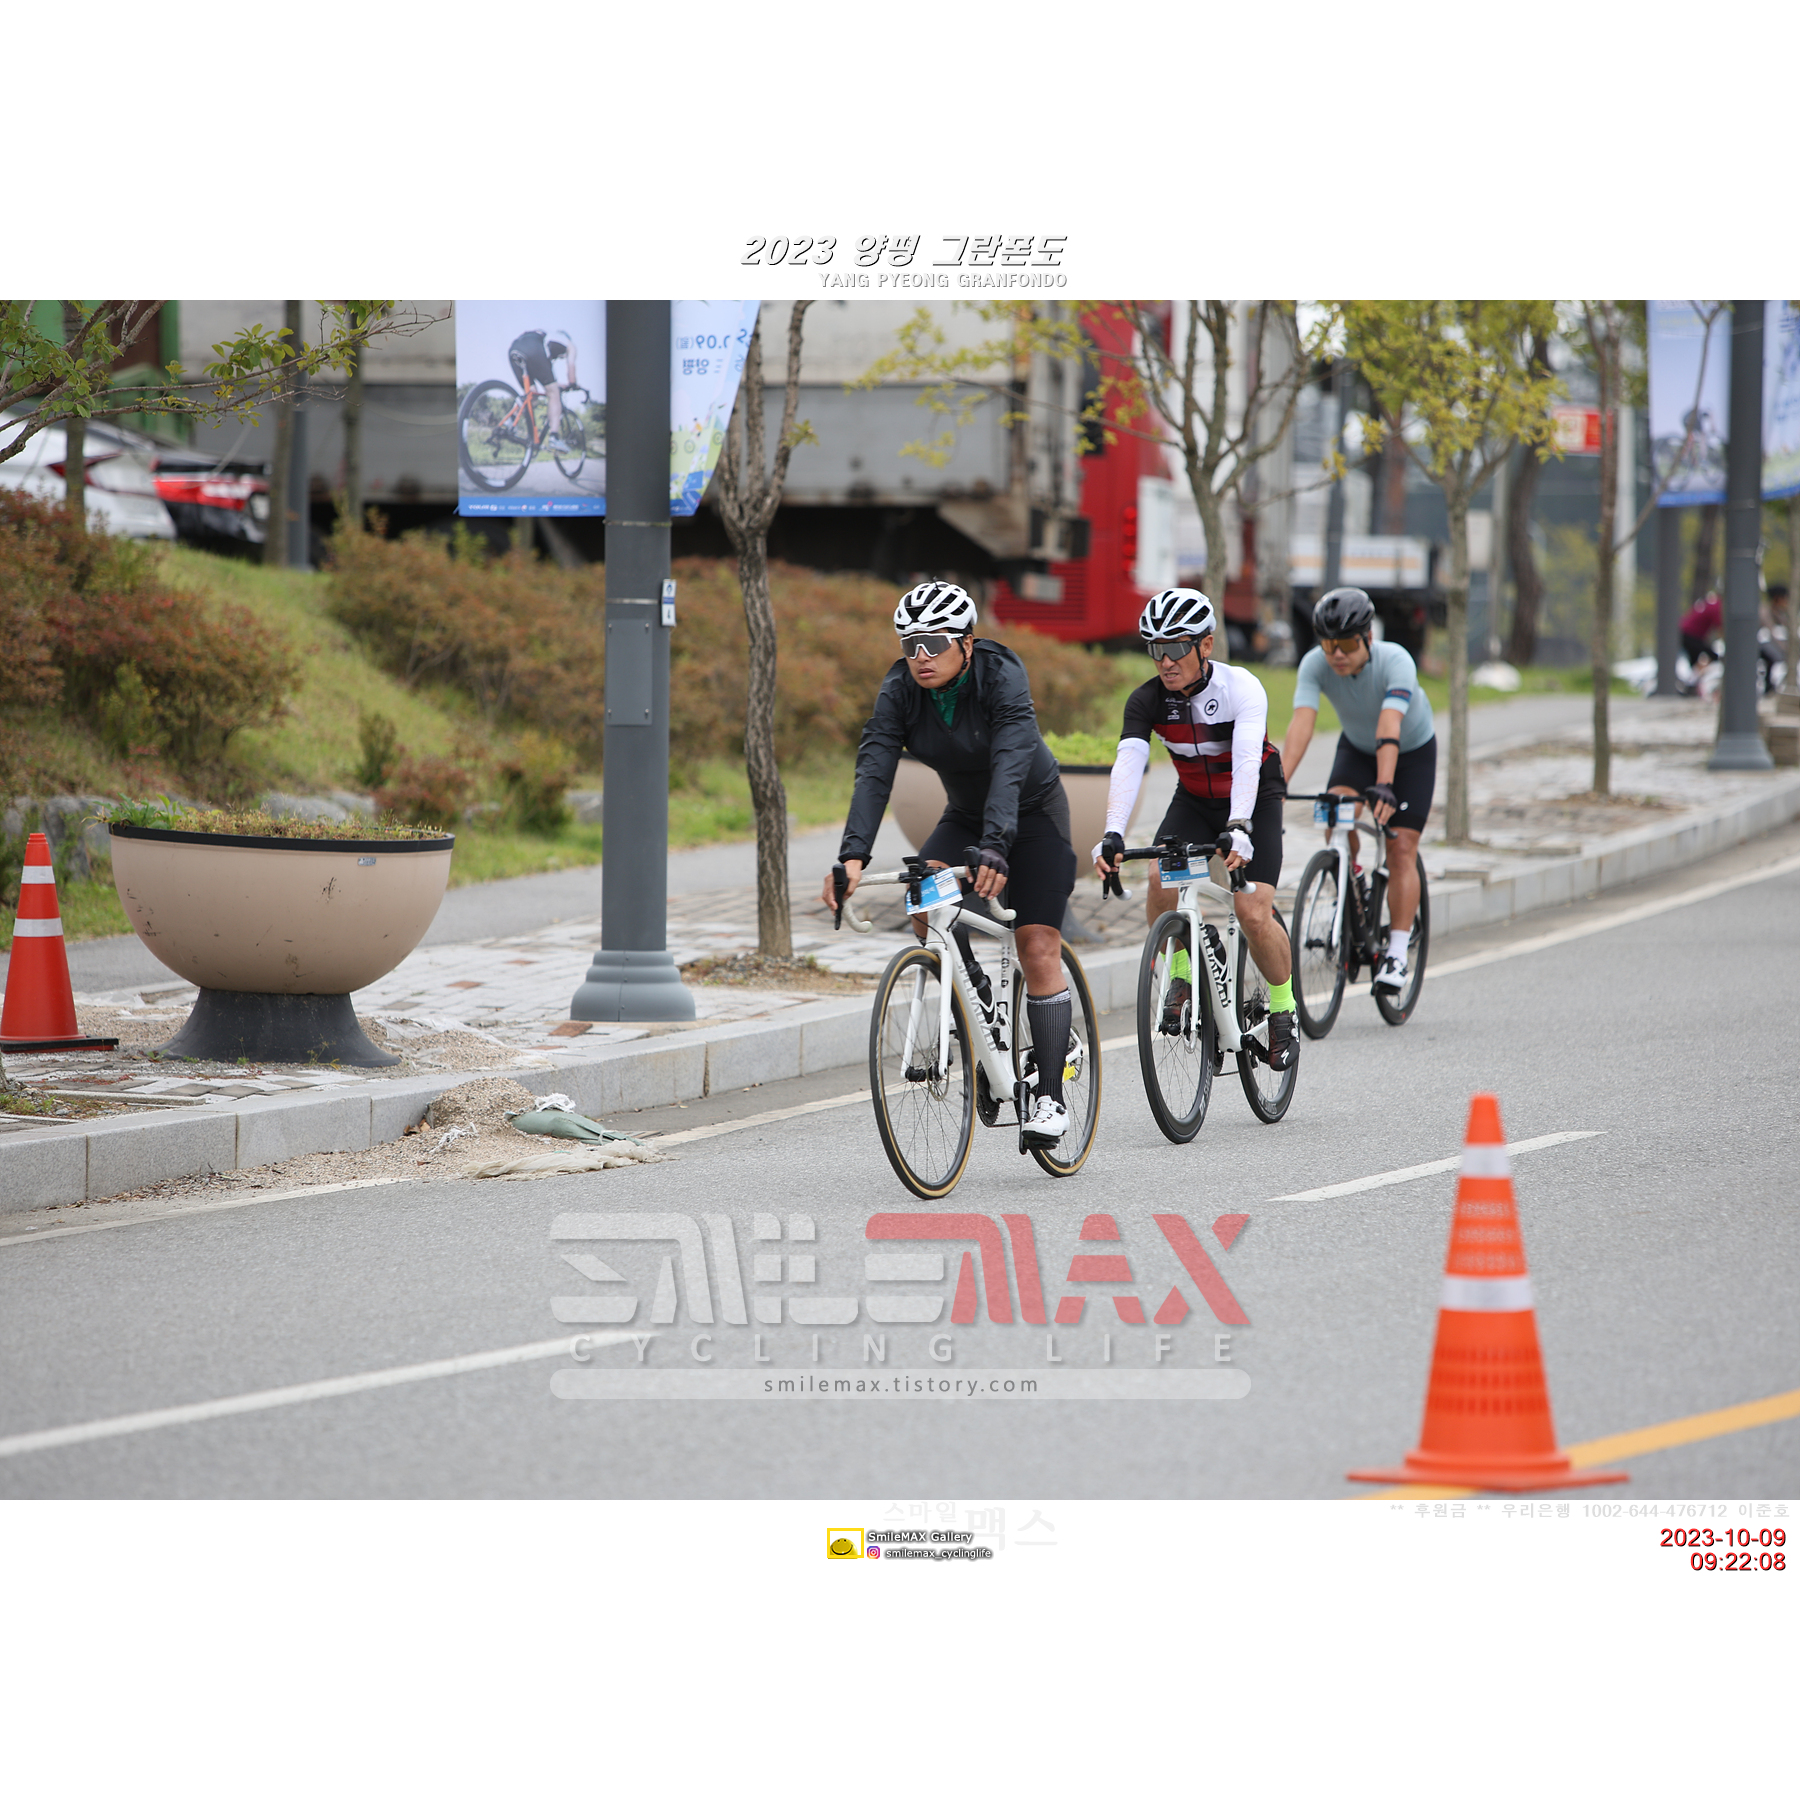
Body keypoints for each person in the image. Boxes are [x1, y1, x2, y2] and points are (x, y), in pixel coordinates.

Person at [823, 581, 1079, 1145]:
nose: (921, 656)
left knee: (1037, 944)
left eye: (934, 643)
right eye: (909, 643)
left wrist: (997, 843)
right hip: (965, 815)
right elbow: (875, 767)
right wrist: (852, 855)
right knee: (924, 903)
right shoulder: (900, 688)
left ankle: (1051, 1099)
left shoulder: (1001, 675)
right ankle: (979, 998)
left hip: (1032, 815)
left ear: (966, 642)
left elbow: (1011, 762)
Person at [1093, 587, 1297, 1072]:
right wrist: (1112, 833)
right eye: (1155, 649)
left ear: (1205, 645)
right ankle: (1185, 973)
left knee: (1251, 910)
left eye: (1175, 647)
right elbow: (1129, 763)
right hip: (1194, 800)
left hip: (1254, 798)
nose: (1164, 661)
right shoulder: (1147, 700)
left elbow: (1246, 761)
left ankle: (1283, 1007)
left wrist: (1240, 824)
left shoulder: (1240, 687)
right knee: (1159, 881)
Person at [1279, 586, 1435, 993]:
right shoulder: (1314, 664)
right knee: (1336, 815)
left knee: (1401, 847)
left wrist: (1384, 785)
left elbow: (1389, 724)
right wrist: (1277, 783)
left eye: (1347, 644)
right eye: (1328, 644)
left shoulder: (1396, 660)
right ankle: (1354, 881)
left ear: (1368, 637)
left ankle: (1396, 952)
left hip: (1410, 752)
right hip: (1357, 749)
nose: (1337, 654)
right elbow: (1301, 724)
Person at [507, 326, 579, 450]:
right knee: (554, 394)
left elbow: (544, 373)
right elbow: (570, 371)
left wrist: (554, 384)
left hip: (515, 347)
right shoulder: (570, 344)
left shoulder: (548, 337)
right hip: (534, 348)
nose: (561, 357)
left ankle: (510, 422)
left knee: (532, 395)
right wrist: (573, 384)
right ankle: (554, 438)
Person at [1679, 589, 1723, 674]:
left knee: (1694, 660)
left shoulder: (1708, 603)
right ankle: (1695, 677)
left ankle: (1693, 678)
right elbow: (1719, 625)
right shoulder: (1716, 605)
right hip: (1690, 636)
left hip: (1686, 634)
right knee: (1713, 656)